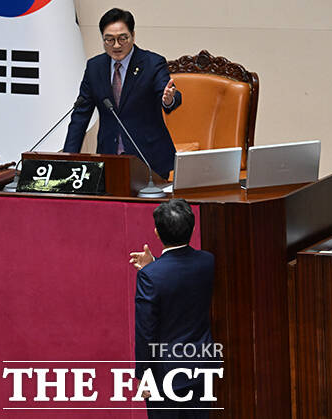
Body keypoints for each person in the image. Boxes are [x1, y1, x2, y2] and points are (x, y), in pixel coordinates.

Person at [63, 8, 182, 180]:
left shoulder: (152, 63)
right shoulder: (94, 67)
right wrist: (68, 158)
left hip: (149, 158)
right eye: (109, 40)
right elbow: (80, 116)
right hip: (109, 158)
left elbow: (170, 94)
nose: (116, 45)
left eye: (122, 38)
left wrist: (169, 99)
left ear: (133, 35)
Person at [129, 199, 216, 418]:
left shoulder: (150, 277)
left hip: (164, 376)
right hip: (201, 369)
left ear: (157, 233)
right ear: (193, 228)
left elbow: (145, 332)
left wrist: (144, 375)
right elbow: (182, 278)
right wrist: (155, 263)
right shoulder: (207, 261)